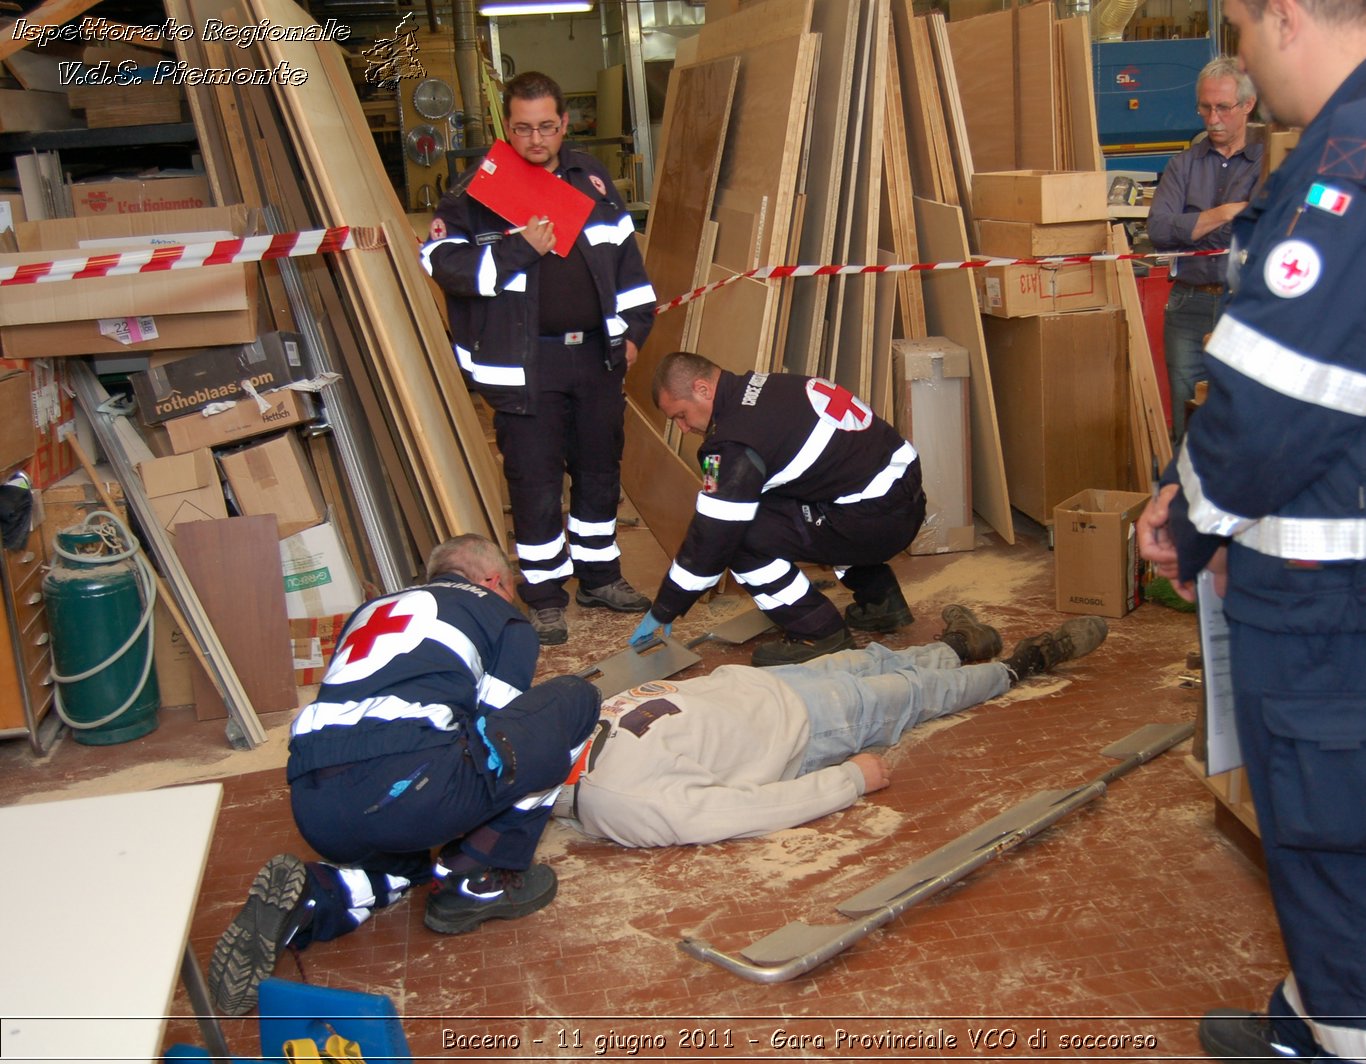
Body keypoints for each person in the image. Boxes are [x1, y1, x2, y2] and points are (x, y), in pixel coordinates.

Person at [1135, 1, 1366, 1059]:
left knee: (1340, 841)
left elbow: (1281, 394)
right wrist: (1191, 487)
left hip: (1340, 575)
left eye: (1244, 36)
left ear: (1285, 15)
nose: (1243, 67)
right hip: (1353, 551)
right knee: (1318, 821)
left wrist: (1188, 517)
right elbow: (1286, 350)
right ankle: (1314, 1016)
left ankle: (1355, 1041)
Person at [205, 535, 601, 1016]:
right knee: (572, 702)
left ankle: (314, 897)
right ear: (494, 581)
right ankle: (476, 878)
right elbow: (497, 729)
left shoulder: (370, 611)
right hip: (407, 788)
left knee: (405, 855)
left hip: (315, 802)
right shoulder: (503, 619)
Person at [420, 71, 656, 646]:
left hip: (598, 358)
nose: (535, 138)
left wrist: (634, 333)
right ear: (506, 125)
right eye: (522, 128)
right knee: (535, 481)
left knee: (600, 470)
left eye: (546, 126)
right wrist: (519, 248)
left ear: (564, 123)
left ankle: (600, 576)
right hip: (526, 366)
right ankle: (545, 595)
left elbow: (628, 268)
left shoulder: (594, 183)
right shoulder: (478, 189)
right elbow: (441, 263)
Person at [560, 607, 1109, 847]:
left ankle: (960, 645)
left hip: (768, 688)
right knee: (913, 696)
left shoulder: (559, 737)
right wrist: (848, 781)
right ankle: (1022, 664)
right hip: (808, 728)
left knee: (871, 661)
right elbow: (744, 813)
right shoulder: (621, 801)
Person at [629, 352, 927, 667]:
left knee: (739, 537)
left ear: (702, 389)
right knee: (787, 498)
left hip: (874, 521)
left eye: (681, 415)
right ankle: (880, 601)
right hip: (902, 498)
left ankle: (819, 633)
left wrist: (666, 606)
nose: (684, 429)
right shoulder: (765, 384)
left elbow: (712, 538)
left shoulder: (730, 446)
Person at [1146, 55, 1262, 444]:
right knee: (1187, 418)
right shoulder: (1183, 166)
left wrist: (1193, 228)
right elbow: (1160, 230)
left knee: (1246, 414)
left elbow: (1270, 227)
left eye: (1223, 108)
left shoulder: (1270, 165)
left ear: (1247, 105)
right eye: (1205, 107)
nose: (1212, 119)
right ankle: (1186, 502)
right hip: (1188, 305)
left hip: (1247, 306)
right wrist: (1226, 213)